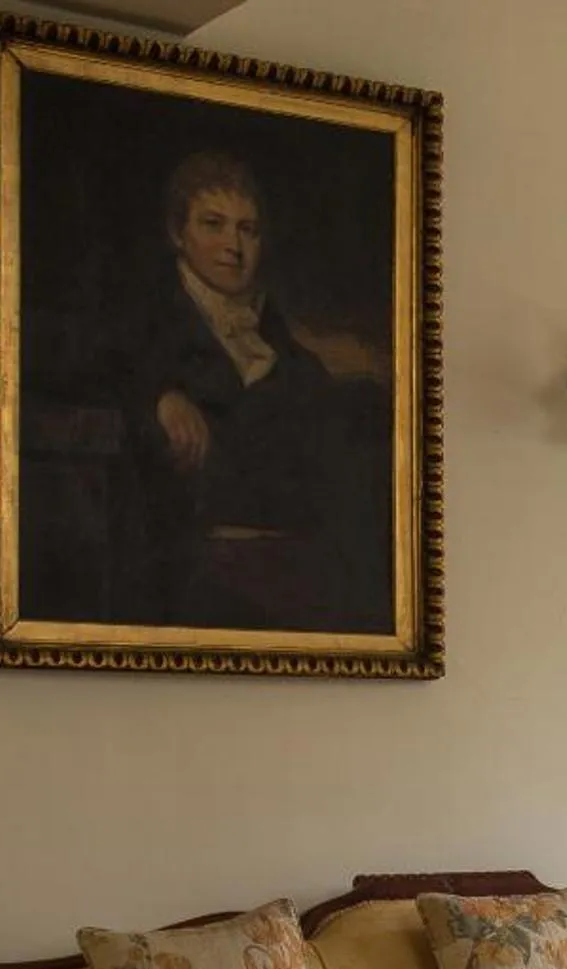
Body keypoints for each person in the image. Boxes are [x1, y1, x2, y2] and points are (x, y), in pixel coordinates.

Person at [118, 150, 391, 633]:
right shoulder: (146, 319)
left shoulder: (275, 334)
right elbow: (93, 368)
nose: (233, 246)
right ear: (177, 233)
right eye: (213, 224)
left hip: (287, 564)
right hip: (187, 570)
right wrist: (158, 397)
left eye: (248, 229)